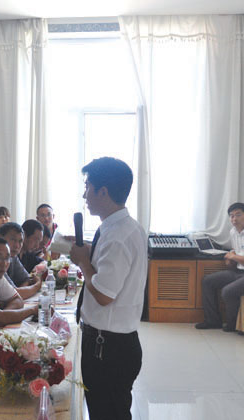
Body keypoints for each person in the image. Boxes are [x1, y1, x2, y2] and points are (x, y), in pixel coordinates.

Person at [69, 157, 147, 420]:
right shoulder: (123, 227)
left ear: (103, 191)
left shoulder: (117, 236)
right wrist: (89, 251)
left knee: (107, 413)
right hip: (115, 343)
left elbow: (104, 295)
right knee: (111, 411)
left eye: (88, 187)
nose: (85, 195)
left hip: (108, 349)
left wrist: (83, 261)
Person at [196, 202, 244, 332]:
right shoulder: (233, 231)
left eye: (238, 215)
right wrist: (231, 258)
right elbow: (237, 252)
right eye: (231, 216)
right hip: (241, 271)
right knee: (207, 281)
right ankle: (212, 321)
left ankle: (232, 325)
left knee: (228, 291)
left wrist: (232, 257)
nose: (234, 219)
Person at [0, 222, 42, 299]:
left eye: (20, 241)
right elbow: (13, 294)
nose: (17, 246)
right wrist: (37, 285)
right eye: (13, 239)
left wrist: (20, 291)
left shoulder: (12, 257)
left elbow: (27, 279)